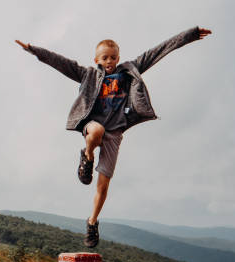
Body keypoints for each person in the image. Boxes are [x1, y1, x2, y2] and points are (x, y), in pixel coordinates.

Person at [15, 26, 212, 247]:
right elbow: (61, 63)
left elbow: (158, 51)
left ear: (118, 57)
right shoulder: (88, 74)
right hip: (94, 125)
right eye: (105, 58)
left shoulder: (129, 71)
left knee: (103, 184)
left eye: (113, 57)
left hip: (115, 133)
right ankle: (87, 157)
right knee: (96, 132)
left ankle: (92, 222)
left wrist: (191, 34)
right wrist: (33, 50)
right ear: (97, 59)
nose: (110, 61)